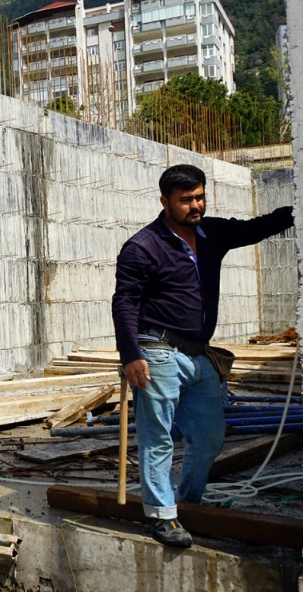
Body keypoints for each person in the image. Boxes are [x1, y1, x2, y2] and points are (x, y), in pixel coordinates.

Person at [111, 164, 293, 548]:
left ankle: (189, 502)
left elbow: (257, 227)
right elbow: (125, 302)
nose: (196, 206)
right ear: (165, 202)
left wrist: (302, 208)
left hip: (199, 355)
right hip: (157, 352)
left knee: (209, 437)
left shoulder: (211, 234)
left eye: (200, 197)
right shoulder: (143, 246)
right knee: (158, 437)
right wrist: (130, 354)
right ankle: (162, 515)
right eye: (186, 200)